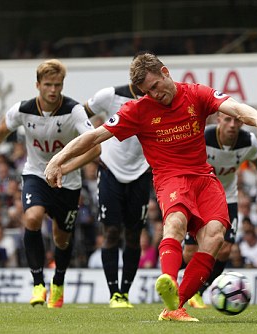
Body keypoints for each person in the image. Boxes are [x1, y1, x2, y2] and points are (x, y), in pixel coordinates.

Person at [44, 52, 257, 322]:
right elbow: (94, 136)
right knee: (175, 222)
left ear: (165, 72)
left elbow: (236, 108)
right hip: (170, 178)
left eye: (155, 86)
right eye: (147, 91)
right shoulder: (138, 109)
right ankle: (167, 279)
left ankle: (174, 304)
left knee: (216, 238)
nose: (154, 94)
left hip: (204, 177)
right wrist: (57, 160)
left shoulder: (196, 94)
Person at [0, 59, 100, 308]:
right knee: (32, 218)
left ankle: (58, 283)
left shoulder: (74, 110)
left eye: (58, 84)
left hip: (67, 181)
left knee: (61, 239)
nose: (53, 90)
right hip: (36, 174)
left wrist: (63, 167)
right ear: (37, 85)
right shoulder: (23, 110)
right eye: (48, 84)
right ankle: (38, 285)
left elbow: (95, 148)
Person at [182, 112, 257, 308]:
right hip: (199, 196)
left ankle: (198, 292)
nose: (232, 124)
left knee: (224, 250)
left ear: (242, 122)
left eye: (237, 120)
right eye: (228, 119)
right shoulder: (203, 137)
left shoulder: (248, 142)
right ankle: (172, 276)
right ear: (219, 120)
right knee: (190, 251)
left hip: (227, 197)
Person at [83, 82, 151, 308]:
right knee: (111, 232)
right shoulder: (110, 95)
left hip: (141, 172)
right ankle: (114, 293)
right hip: (110, 169)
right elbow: (78, 115)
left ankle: (125, 293)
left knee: (133, 234)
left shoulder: (158, 98)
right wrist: (92, 149)